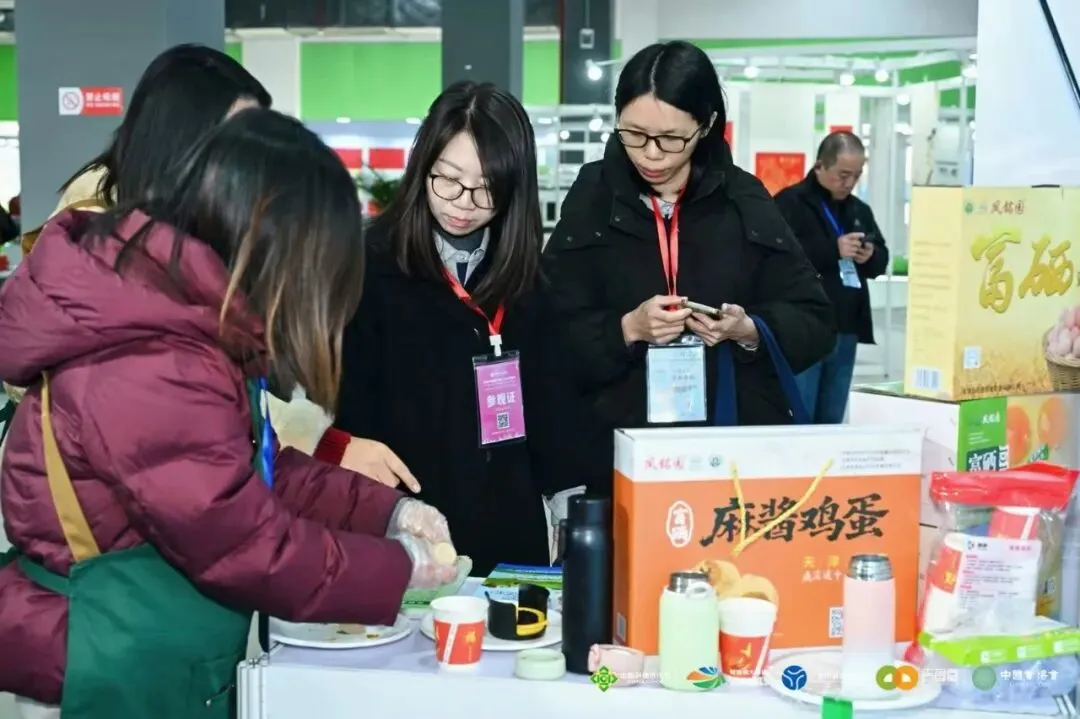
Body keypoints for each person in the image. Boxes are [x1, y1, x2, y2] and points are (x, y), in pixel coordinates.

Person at [0, 108, 458, 718]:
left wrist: (385, 511)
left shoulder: (184, 321)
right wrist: (395, 570)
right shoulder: (152, 357)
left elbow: (246, 469)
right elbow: (241, 541)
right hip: (101, 661)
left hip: (149, 648)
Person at [2, 43, 411, 485]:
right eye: (237, 141)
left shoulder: (191, 225)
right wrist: (322, 444)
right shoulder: (108, 241)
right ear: (181, 142)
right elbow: (184, 396)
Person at [326, 81, 606, 575]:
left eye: (486, 187)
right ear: (423, 167)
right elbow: (344, 410)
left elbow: (555, 410)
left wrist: (570, 509)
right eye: (449, 180)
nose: (464, 202)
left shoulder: (528, 280)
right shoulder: (364, 268)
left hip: (508, 540)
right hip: (403, 533)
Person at [542, 41, 835, 443]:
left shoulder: (744, 199)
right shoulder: (593, 196)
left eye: (671, 138)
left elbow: (815, 321)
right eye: (634, 134)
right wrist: (626, 329)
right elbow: (547, 326)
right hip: (614, 445)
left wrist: (749, 330)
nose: (651, 154)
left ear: (707, 125)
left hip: (723, 444)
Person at [775, 131, 890, 424]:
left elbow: (881, 261)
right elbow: (777, 261)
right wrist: (832, 250)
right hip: (804, 327)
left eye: (857, 175)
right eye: (843, 175)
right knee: (800, 415)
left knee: (832, 418)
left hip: (846, 327)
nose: (849, 183)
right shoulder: (789, 204)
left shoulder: (859, 210)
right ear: (820, 166)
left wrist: (871, 256)